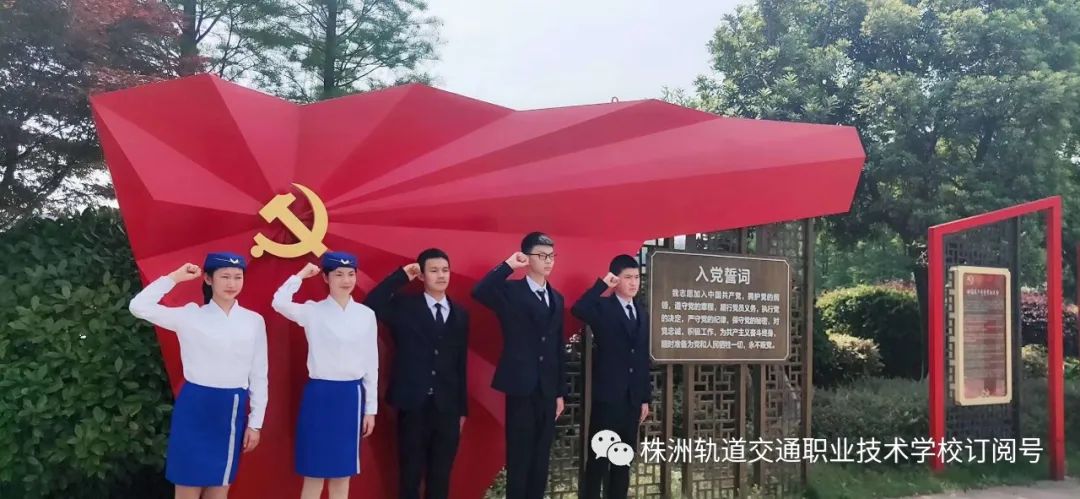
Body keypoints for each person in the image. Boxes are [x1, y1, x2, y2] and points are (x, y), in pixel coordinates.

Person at [128, 252, 268, 499]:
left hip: (231, 408)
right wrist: (174, 278)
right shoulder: (190, 315)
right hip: (195, 406)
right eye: (225, 277)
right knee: (186, 486)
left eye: (237, 277)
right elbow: (138, 307)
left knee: (220, 487)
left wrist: (255, 423)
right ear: (208, 279)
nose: (231, 283)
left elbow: (259, 374)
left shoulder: (253, 321)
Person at [271, 252, 378, 499]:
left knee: (343, 472)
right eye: (338, 274)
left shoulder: (365, 315)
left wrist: (370, 409)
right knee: (314, 471)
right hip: (320, 395)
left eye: (350, 274)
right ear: (325, 278)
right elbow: (279, 302)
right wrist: (300, 276)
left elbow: (372, 363)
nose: (346, 280)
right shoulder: (313, 311)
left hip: (351, 396)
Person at [364, 248, 469, 499]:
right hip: (412, 403)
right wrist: (401, 276)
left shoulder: (460, 314)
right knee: (410, 473)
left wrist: (461, 409)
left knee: (441, 475)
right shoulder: (404, 306)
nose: (441, 276)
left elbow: (460, 364)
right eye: (434, 271)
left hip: (447, 406)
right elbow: (370, 306)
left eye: (445, 270)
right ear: (421, 275)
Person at [472, 232, 568, 499]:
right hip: (520, 385)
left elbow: (557, 347)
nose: (548, 261)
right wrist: (508, 265)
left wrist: (560, 392)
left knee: (541, 457)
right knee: (520, 455)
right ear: (527, 258)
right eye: (542, 256)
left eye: (551, 256)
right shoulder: (511, 291)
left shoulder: (557, 298)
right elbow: (480, 292)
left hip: (547, 388)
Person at [572, 255, 652, 499]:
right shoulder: (603, 307)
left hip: (632, 399)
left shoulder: (641, 313)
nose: (634, 283)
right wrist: (602, 285)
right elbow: (579, 309)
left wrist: (644, 398)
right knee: (599, 458)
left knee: (623, 460)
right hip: (608, 397)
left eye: (636, 277)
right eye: (628, 278)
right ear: (616, 279)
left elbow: (641, 359)